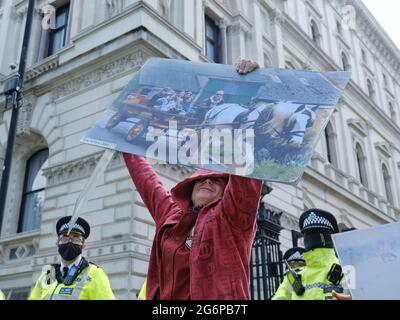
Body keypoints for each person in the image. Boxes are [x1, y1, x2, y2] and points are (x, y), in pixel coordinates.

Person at [123, 58, 262, 300]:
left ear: (226, 192)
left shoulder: (232, 218)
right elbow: (147, 181)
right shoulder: (171, 214)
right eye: (202, 180)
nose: (208, 182)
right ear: (191, 185)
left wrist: (250, 80)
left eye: (217, 181)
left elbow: (245, 177)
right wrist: (123, 145)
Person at [28, 216, 115, 300]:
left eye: (76, 238)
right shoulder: (48, 274)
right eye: (65, 237)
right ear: (57, 243)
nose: (70, 242)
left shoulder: (95, 274)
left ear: (83, 245)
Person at [273, 209, 345, 300]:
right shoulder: (294, 278)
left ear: (326, 237)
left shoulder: (346, 270)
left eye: (315, 233)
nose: (311, 238)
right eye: (308, 234)